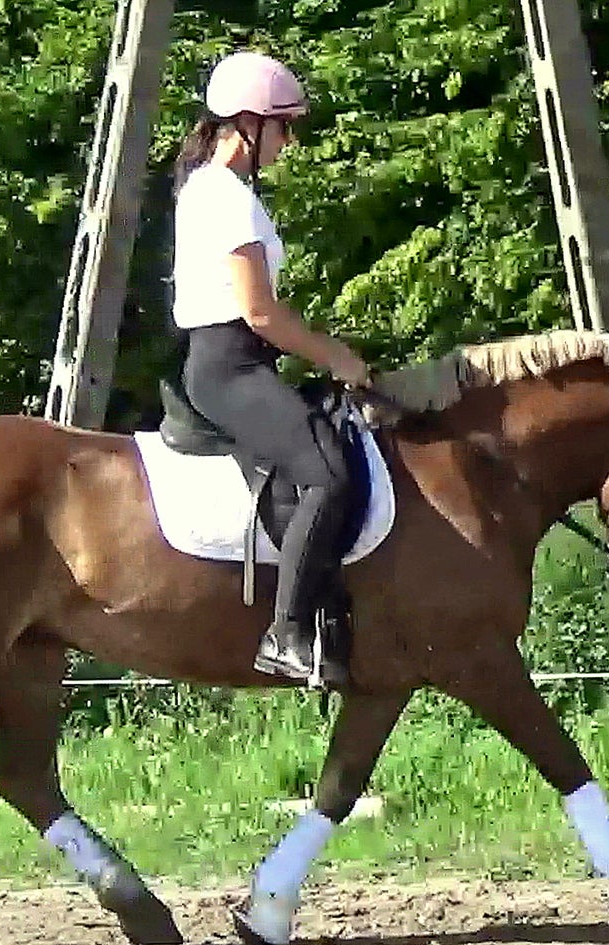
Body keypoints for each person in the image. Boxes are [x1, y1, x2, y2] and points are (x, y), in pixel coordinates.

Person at [170, 50, 371, 684]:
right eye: (284, 127)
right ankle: (285, 633)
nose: (289, 141)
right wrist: (337, 355)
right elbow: (260, 313)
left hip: (238, 363)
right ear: (249, 125)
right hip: (228, 367)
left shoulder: (215, 190)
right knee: (328, 474)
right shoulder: (225, 199)